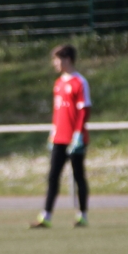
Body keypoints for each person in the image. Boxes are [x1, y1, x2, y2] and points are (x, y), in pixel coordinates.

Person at [31, 44, 91, 228]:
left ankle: (82, 215)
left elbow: (84, 110)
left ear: (67, 59)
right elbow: (58, 112)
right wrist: (53, 131)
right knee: (52, 177)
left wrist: (78, 134)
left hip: (75, 139)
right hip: (59, 138)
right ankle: (46, 216)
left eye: (57, 60)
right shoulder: (58, 83)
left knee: (78, 176)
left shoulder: (79, 82)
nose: (55, 63)